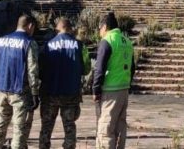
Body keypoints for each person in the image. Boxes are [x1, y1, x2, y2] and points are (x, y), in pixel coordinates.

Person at [40, 17, 92, 149]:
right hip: (71, 93)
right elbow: (86, 69)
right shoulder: (80, 46)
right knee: (69, 126)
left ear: (57, 29)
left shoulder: (47, 45)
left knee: (46, 126)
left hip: (50, 93)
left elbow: (39, 68)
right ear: (70, 29)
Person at [0, 14, 41, 149]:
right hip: (20, 91)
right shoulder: (29, 43)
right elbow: (32, 69)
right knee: (19, 129)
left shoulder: (0, 41)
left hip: (1, 89)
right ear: (30, 26)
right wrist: (35, 92)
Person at [92, 12, 135, 149]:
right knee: (120, 128)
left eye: (100, 29)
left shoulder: (107, 41)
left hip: (110, 91)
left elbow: (99, 68)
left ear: (104, 27)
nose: (99, 32)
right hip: (124, 90)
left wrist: (96, 89)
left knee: (106, 128)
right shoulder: (127, 41)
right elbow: (132, 67)